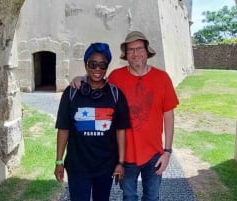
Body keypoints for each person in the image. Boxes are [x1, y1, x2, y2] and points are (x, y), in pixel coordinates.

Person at [71, 31, 179, 201]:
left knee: (152, 197)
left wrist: (167, 151)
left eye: (139, 49)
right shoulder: (116, 77)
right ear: (126, 55)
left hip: (154, 154)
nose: (135, 54)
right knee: (129, 197)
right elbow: (97, 81)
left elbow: (169, 116)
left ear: (146, 51)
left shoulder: (162, 78)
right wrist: (81, 78)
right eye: (130, 50)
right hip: (126, 154)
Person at [54, 42, 131, 201]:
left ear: (106, 67)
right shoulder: (71, 92)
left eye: (102, 65)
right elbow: (63, 129)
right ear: (85, 64)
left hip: (105, 165)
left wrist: (120, 162)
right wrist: (59, 161)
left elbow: (120, 131)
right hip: (78, 165)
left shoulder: (116, 95)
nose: (97, 69)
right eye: (93, 64)